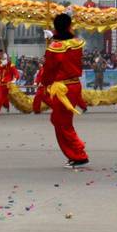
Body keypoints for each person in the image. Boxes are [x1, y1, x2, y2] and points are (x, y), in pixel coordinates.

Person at [39, 13, 88, 167]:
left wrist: (44, 83)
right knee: (58, 120)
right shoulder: (76, 43)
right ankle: (74, 153)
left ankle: (79, 153)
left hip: (62, 88)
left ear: (55, 27)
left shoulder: (55, 48)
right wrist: (54, 38)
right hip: (74, 85)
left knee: (62, 122)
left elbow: (49, 69)